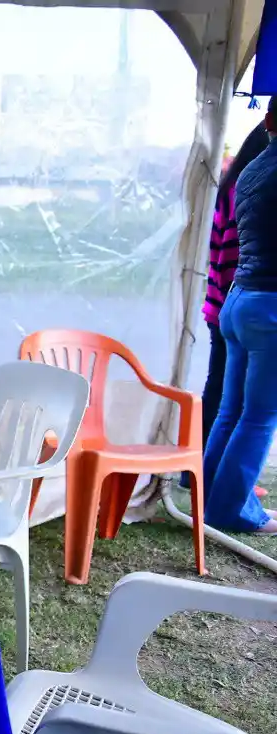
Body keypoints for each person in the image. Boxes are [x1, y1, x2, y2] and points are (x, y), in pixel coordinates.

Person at [203, 99, 277, 533]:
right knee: (259, 416)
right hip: (269, 306)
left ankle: (212, 502)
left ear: (268, 121)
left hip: (239, 301)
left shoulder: (249, 171)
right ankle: (232, 512)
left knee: (231, 411)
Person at [188, 120, 269, 497]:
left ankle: (209, 478)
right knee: (250, 411)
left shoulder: (240, 180)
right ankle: (225, 492)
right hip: (244, 299)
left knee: (224, 400)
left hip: (225, 302)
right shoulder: (258, 186)